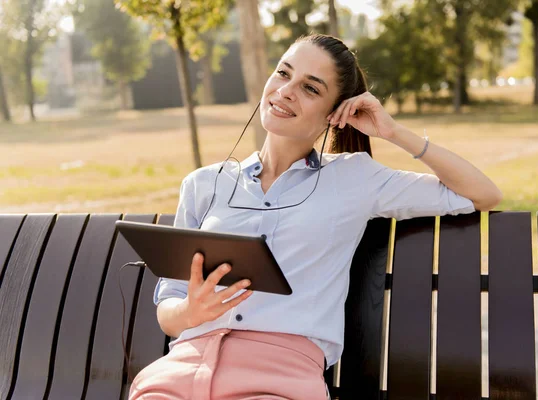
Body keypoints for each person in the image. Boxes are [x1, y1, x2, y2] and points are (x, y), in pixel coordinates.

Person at [129, 34, 502, 400]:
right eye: (282, 73)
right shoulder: (203, 184)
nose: (286, 90)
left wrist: (393, 132)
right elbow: (169, 306)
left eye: (310, 88)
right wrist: (189, 312)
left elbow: (482, 194)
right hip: (181, 371)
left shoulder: (355, 178)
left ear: (335, 114)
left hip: (279, 379)